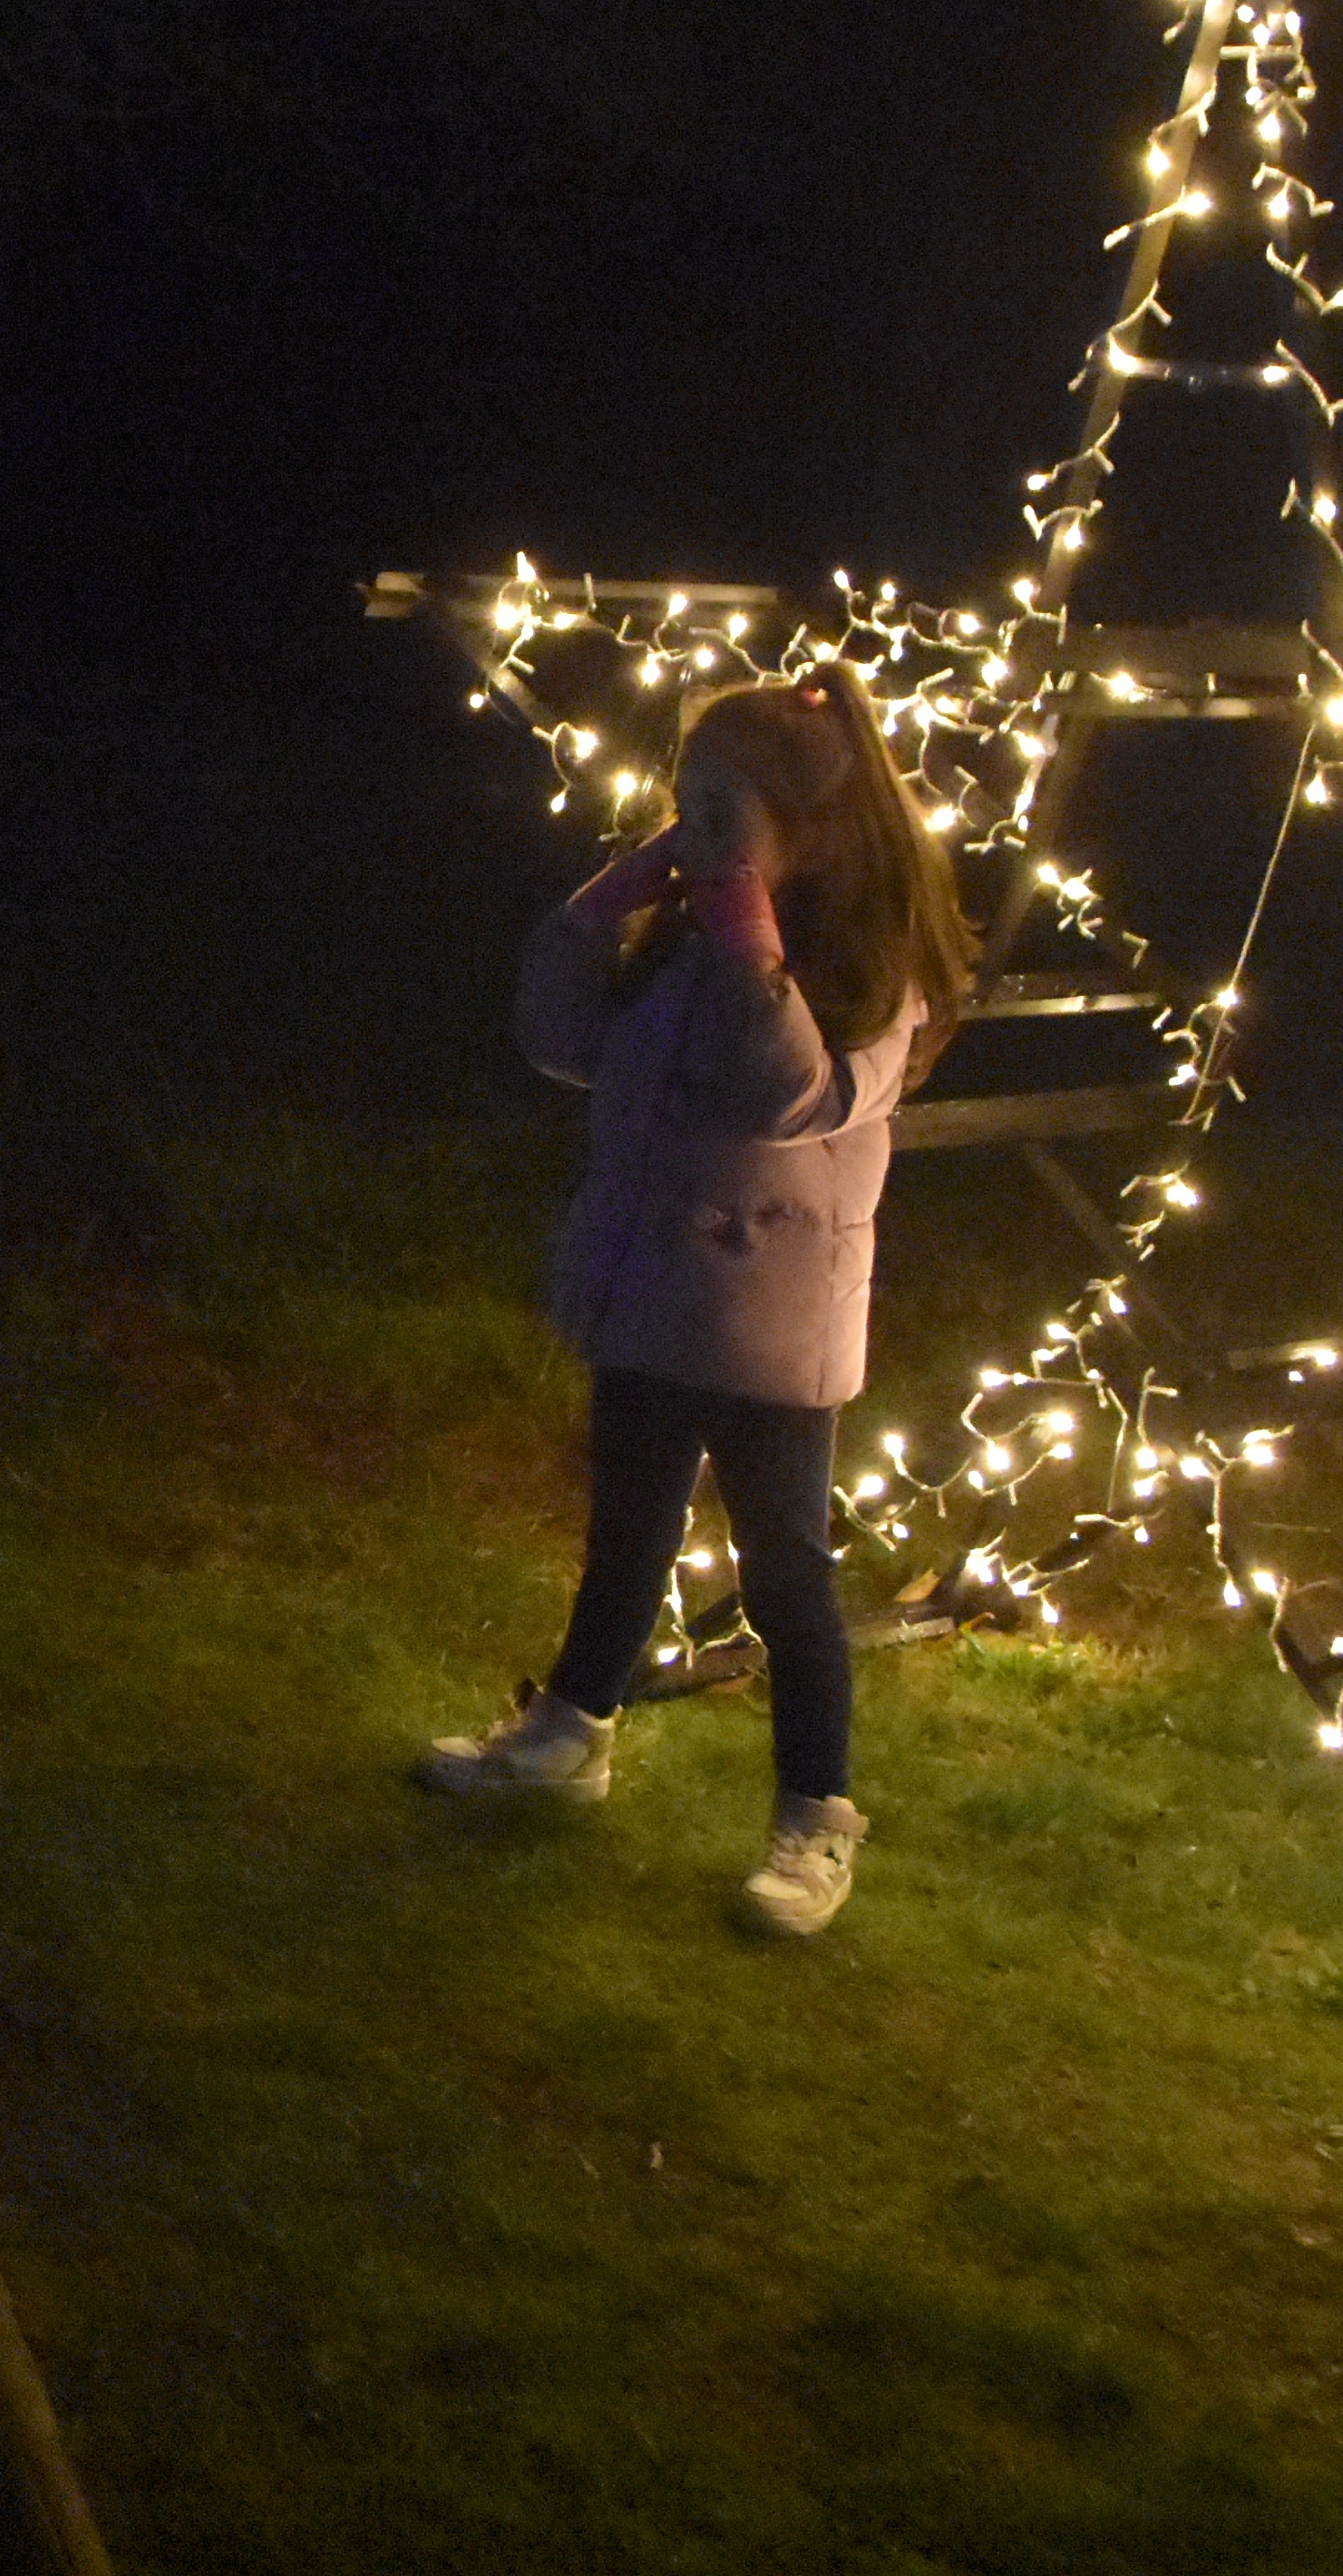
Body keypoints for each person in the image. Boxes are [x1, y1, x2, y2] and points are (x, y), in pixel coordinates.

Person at [416, 666, 972, 1938]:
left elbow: (791, 1101)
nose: (691, 837)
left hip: (771, 1318)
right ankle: (571, 1729)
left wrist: (744, 930)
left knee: (788, 1574)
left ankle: (816, 1813)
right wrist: (599, 912)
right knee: (628, 1527)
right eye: (686, 807)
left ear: (812, 831)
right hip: (653, 1287)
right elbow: (564, 1043)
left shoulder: (872, 974)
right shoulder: (688, 940)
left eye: (724, 814)